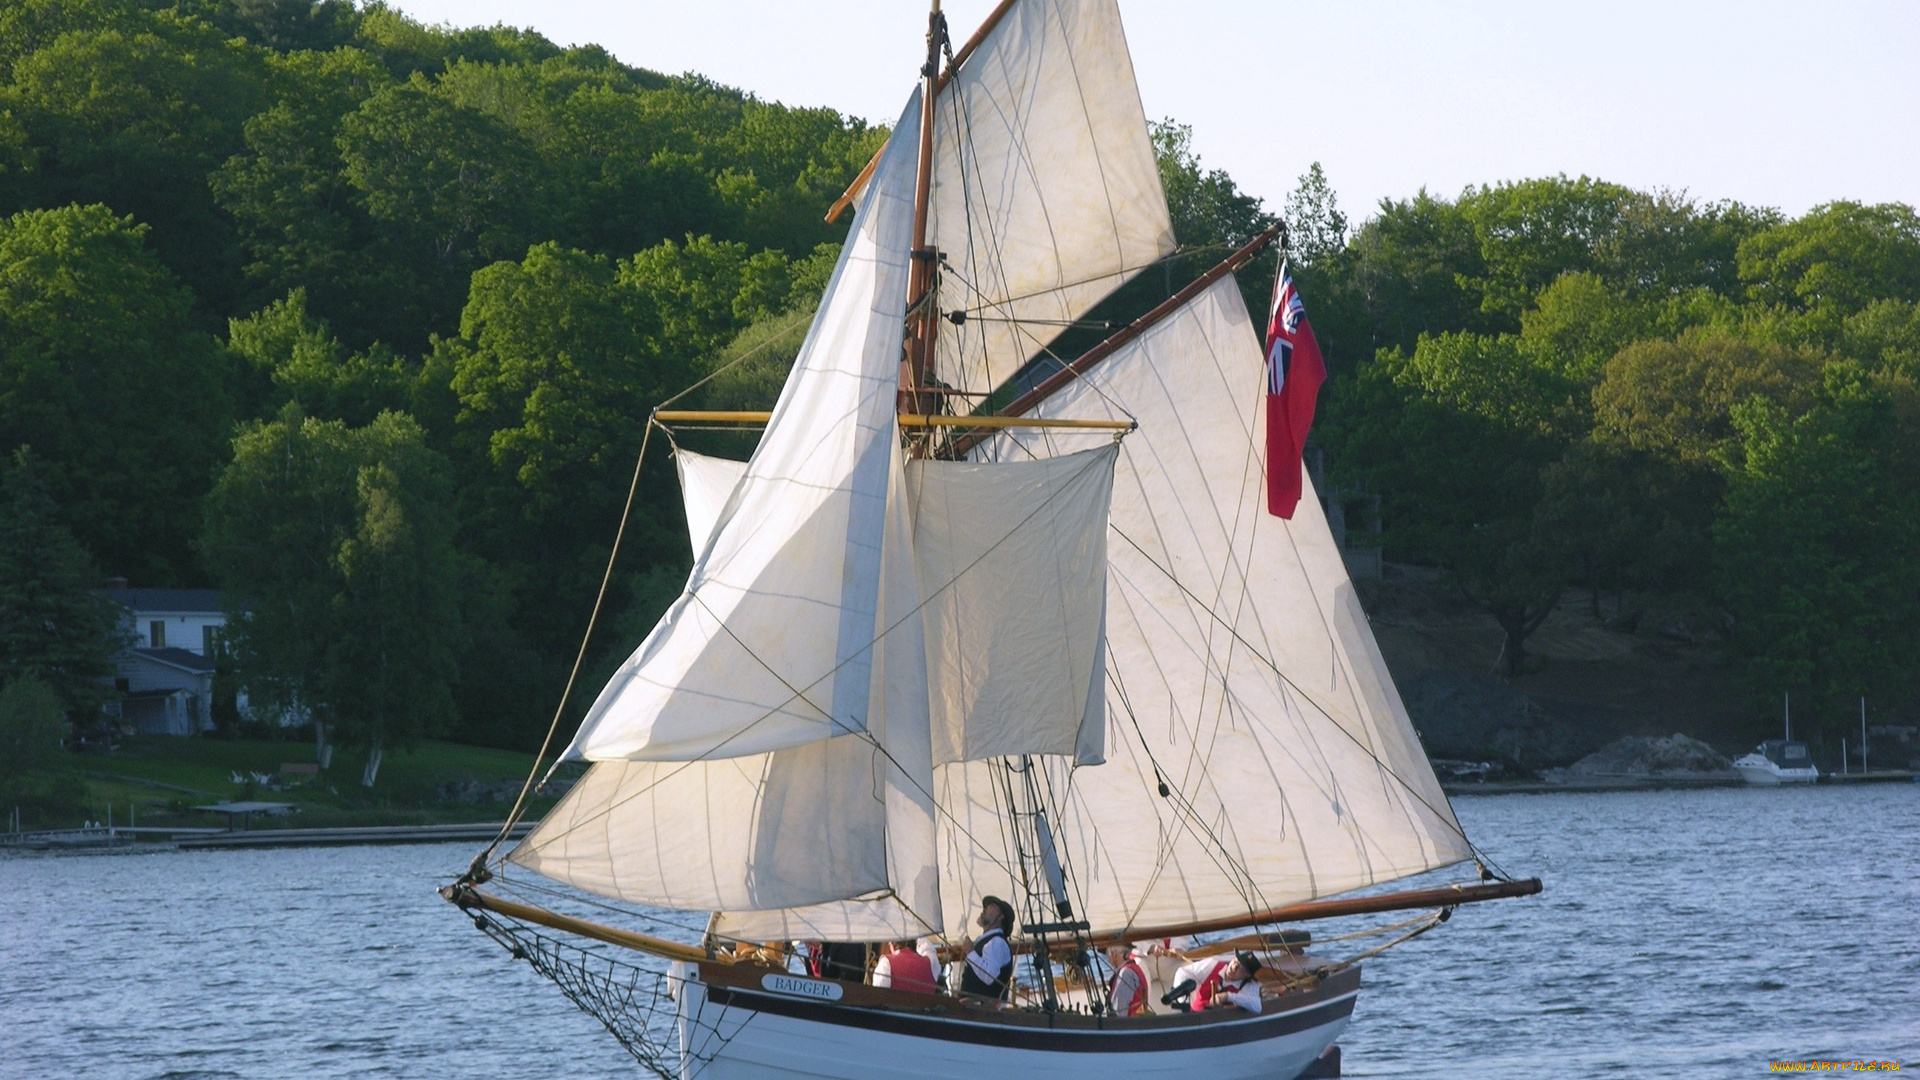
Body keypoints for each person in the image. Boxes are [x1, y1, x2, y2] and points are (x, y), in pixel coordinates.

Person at [1161, 950, 1264, 1014]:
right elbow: (1183, 972)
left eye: (1240, 968)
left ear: (1247, 975)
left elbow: (1257, 1006)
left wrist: (1227, 996)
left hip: (1221, 1026)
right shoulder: (1212, 965)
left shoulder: (1248, 985)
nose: (1233, 967)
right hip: (1194, 1016)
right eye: (1235, 961)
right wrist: (1184, 1004)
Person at [956, 895, 1015, 1000]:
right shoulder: (987, 941)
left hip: (985, 1011)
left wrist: (970, 952)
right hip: (973, 1008)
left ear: (1001, 917)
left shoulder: (997, 942)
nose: (984, 910)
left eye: (991, 907)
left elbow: (989, 976)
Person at [872, 940, 939, 994]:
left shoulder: (886, 962)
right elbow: (927, 946)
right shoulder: (931, 963)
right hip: (925, 1009)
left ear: (892, 944)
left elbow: (879, 996)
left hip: (895, 1009)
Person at [1106, 943, 1151, 1016]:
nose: (1108, 960)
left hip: (1130, 1025)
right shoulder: (1134, 968)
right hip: (1138, 1022)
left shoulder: (1126, 974)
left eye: (1108, 955)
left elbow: (1119, 1011)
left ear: (1114, 954)